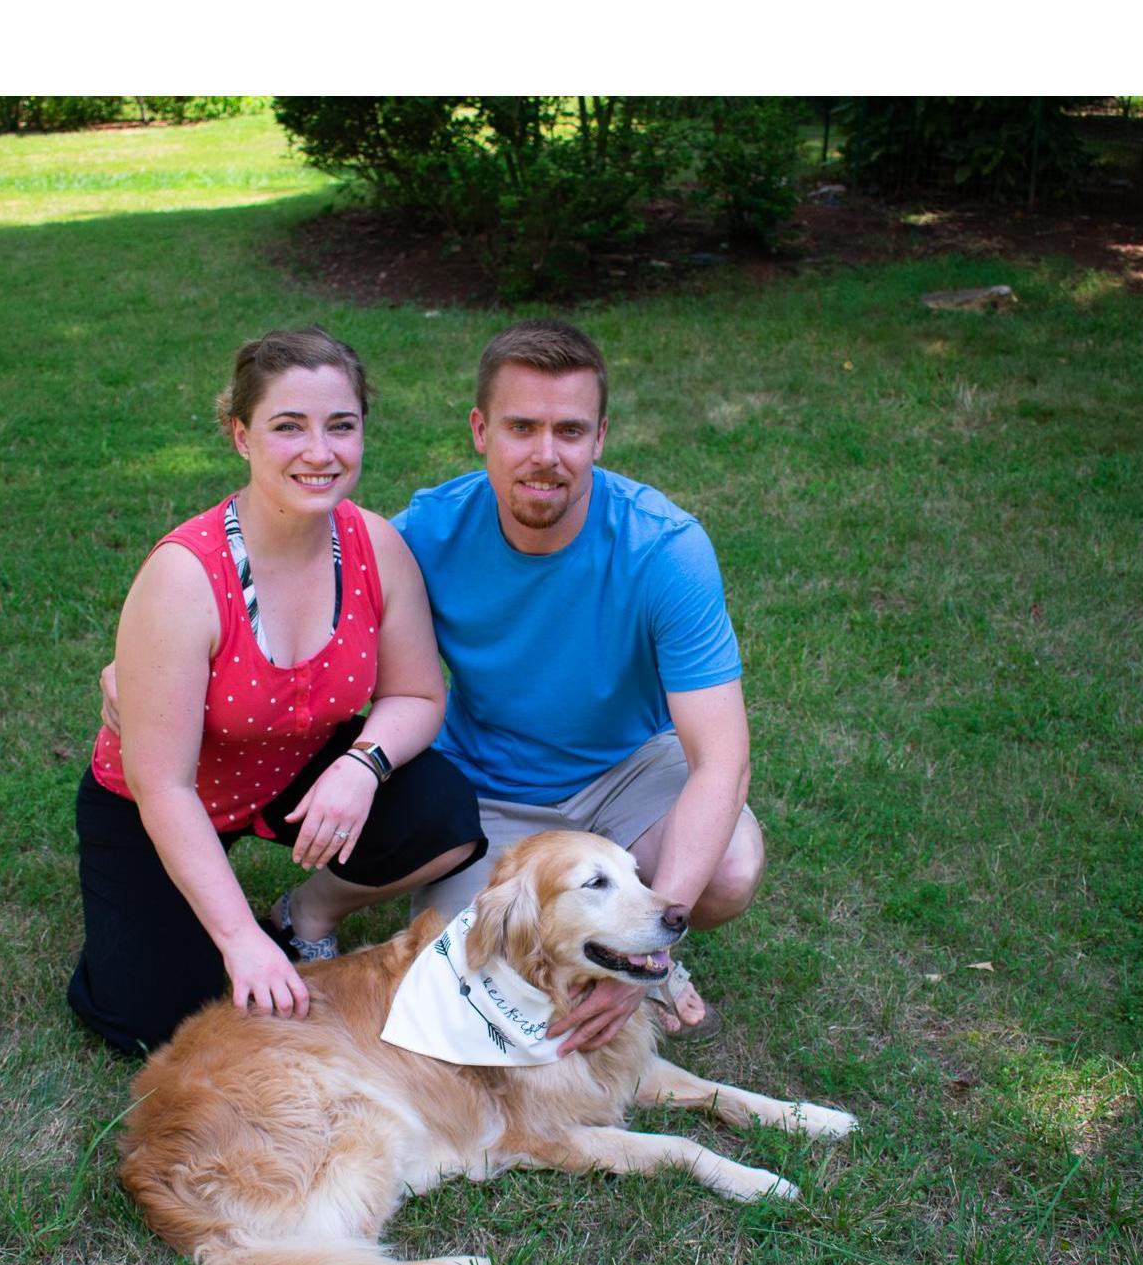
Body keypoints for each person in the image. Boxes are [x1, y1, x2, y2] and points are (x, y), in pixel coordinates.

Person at [68, 327, 484, 1056]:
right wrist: (238, 942)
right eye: (288, 426)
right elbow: (162, 784)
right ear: (241, 435)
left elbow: (418, 697)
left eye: (341, 426)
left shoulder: (376, 546)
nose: (319, 452)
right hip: (161, 799)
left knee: (441, 811)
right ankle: (172, 933)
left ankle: (302, 918)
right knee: (167, 1021)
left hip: (291, 770)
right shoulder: (184, 576)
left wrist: (362, 766)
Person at [390, 318, 763, 1056]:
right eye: (521, 426)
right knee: (458, 972)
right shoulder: (426, 532)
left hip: (627, 771)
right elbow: (305, 595)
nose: (545, 454)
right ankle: (590, 943)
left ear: (599, 437)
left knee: (729, 868)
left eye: (569, 430)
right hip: (485, 787)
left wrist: (643, 960)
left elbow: (724, 761)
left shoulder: (664, 547)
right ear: (480, 430)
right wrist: (159, 658)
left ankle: (640, 959)